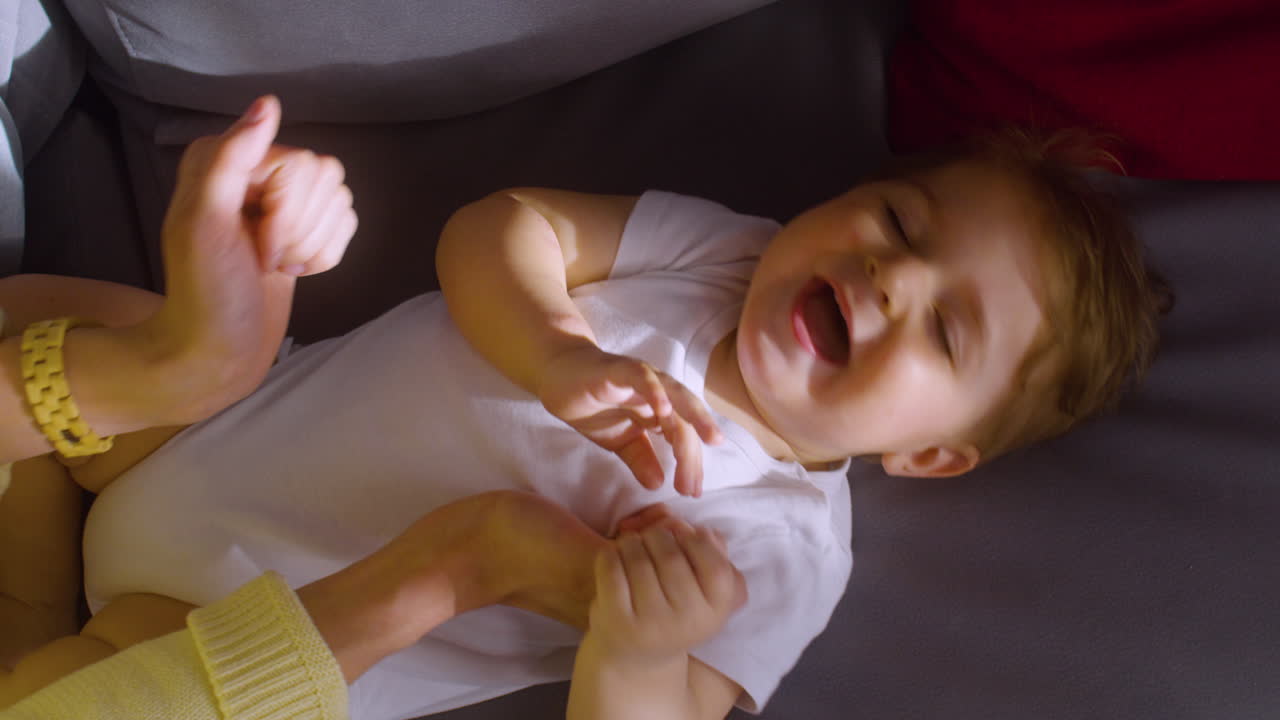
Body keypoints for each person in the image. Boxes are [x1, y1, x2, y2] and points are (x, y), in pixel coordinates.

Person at [1, 96, 1163, 718]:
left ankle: (38, 611)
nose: (891, 279)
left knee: (91, 699)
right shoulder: (722, 253)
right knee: (34, 312)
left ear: (926, 453)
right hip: (219, 419)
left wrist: (640, 648)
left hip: (243, 627)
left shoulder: (782, 551)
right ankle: (31, 564)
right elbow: (500, 228)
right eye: (900, 222)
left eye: (945, 329)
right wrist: (552, 350)